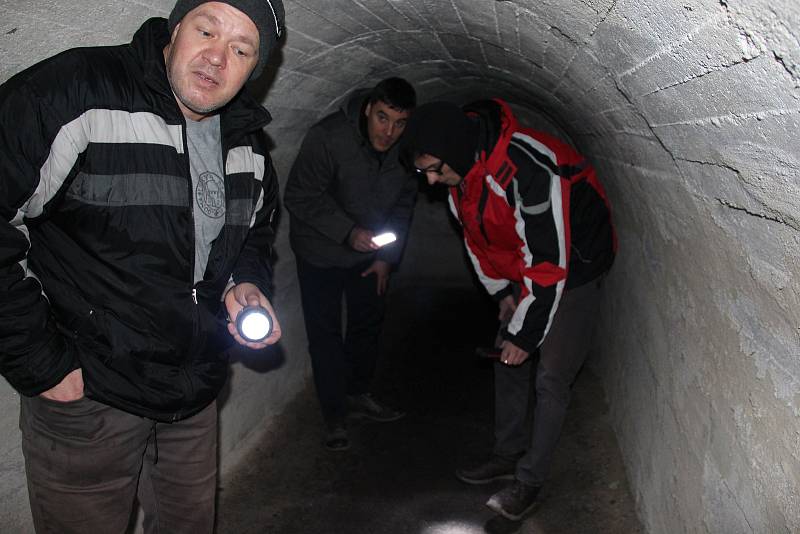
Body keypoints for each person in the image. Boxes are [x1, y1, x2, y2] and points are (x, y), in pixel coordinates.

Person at [0, 1, 285, 532]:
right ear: (175, 30)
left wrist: (246, 282)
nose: (217, 58)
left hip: (194, 392)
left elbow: (257, 230)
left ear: (256, 68)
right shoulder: (73, 93)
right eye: (206, 31)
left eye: (242, 50)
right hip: (91, 398)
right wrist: (40, 362)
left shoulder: (248, 143)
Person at [403, 99, 617, 521]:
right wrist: (502, 292)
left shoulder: (527, 168)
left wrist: (526, 333)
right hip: (529, 264)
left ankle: (530, 480)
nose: (429, 181)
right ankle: (508, 451)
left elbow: (550, 263)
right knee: (506, 355)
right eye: (421, 171)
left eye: (433, 168)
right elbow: (476, 239)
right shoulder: (460, 178)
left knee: (552, 375)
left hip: (575, 266)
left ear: (455, 149)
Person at [284, 77, 417, 451]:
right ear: (367, 109)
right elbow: (299, 195)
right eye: (382, 118)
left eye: (399, 123)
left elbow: (404, 206)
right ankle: (335, 415)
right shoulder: (328, 137)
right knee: (325, 335)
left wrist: (387, 259)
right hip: (319, 252)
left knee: (367, 324)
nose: (389, 131)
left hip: (368, 254)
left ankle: (359, 394)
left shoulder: (405, 149)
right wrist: (346, 232)